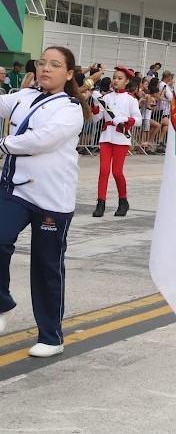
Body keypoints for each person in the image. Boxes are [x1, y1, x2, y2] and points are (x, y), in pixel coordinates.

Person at [0, 47, 97, 357]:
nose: (45, 69)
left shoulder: (70, 108)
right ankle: (2, 304)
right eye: (42, 63)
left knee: (46, 266)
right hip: (15, 190)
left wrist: (5, 144)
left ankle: (51, 336)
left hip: (51, 198)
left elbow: (44, 139)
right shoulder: (22, 96)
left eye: (55, 65)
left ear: (69, 73)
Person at [92, 66, 141, 218]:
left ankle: (123, 201)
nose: (115, 81)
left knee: (117, 172)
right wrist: (94, 103)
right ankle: (101, 203)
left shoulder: (131, 100)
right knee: (104, 170)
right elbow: (96, 119)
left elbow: (138, 120)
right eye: (114, 78)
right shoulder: (105, 98)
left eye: (120, 78)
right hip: (106, 137)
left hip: (121, 138)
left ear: (127, 82)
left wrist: (126, 119)